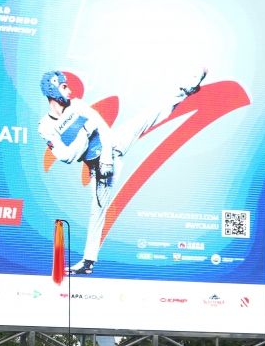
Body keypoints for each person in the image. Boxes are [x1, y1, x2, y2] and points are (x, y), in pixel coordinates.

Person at [38, 68, 206, 275]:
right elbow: (66, 156)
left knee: (146, 116)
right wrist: (84, 132)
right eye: (64, 87)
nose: (69, 90)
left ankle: (186, 89)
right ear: (52, 88)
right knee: (97, 211)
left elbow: (102, 130)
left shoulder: (78, 105)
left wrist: (106, 158)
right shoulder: (45, 126)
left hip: (111, 149)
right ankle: (88, 262)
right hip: (96, 168)